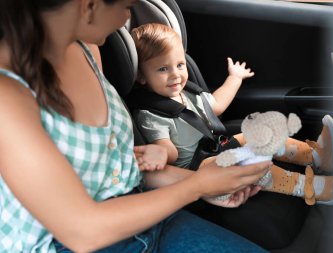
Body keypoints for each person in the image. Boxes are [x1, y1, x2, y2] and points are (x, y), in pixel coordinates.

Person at [0, 1, 272, 252]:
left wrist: (216, 185)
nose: (127, 18)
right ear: (89, 6)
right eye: (127, 6)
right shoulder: (7, 95)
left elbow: (118, 172)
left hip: (144, 216)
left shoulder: (88, 50)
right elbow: (81, 231)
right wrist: (197, 186)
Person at [131, 23, 333, 205]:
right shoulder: (150, 115)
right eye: (162, 69)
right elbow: (169, 152)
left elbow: (215, 105)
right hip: (199, 171)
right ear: (141, 76)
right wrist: (160, 153)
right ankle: (313, 189)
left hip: (216, 148)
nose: (175, 74)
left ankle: (317, 156)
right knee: (252, 166)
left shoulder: (185, 93)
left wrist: (234, 78)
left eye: (179, 65)